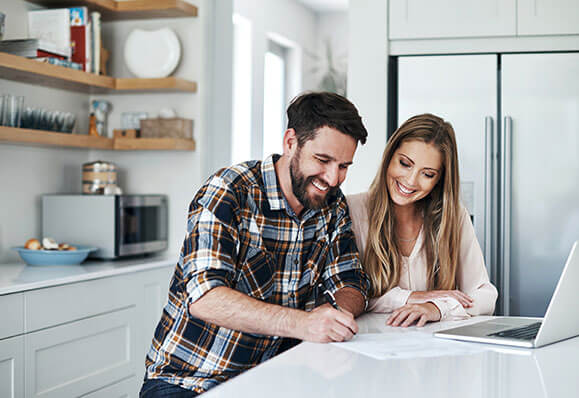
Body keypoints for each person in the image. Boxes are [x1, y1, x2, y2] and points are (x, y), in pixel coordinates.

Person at [141, 92, 370, 397]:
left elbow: (351, 281)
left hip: (276, 377)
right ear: (291, 142)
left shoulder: (332, 205)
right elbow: (205, 297)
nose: (333, 178)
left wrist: (334, 315)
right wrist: (304, 324)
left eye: (344, 166)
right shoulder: (229, 191)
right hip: (191, 381)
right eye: (323, 160)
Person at [347, 113, 497, 328]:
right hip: (369, 348)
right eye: (405, 163)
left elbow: (485, 295)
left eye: (427, 174)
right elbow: (348, 296)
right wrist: (412, 297)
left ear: (439, 180)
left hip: (433, 352)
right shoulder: (351, 210)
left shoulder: (454, 216)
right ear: (389, 156)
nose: (410, 181)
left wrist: (436, 308)